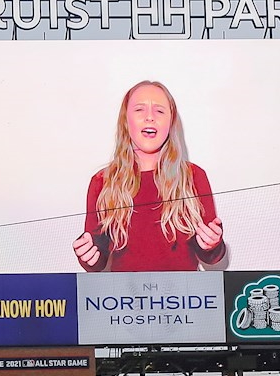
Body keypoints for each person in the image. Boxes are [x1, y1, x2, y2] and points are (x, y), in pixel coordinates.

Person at [73, 80, 226, 274]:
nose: (150, 117)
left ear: (171, 123)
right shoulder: (102, 182)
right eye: (140, 109)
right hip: (125, 292)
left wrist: (212, 244)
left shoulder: (194, 177)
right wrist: (88, 255)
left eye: (159, 111)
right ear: (125, 121)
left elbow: (211, 257)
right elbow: (96, 261)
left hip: (183, 292)